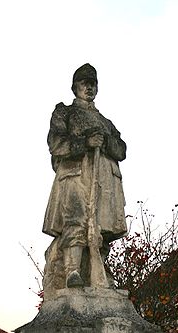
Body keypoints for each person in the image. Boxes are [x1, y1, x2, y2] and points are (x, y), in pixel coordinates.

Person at [42, 63, 127, 293]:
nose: (88, 88)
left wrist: (106, 142)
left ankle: (99, 271)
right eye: (84, 84)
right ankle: (72, 271)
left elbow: (122, 150)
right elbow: (56, 144)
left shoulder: (105, 122)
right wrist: (85, 143)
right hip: (76, 176)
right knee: (76, 221)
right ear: (75, 87)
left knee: (100, 228)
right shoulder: (65, 114)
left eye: (93, 84)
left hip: (103, 181)